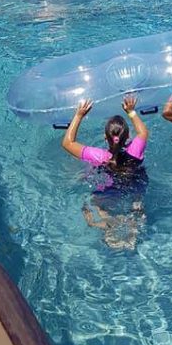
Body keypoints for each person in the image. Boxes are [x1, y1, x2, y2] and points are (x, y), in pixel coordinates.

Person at [61, 96, 149, 250]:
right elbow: (143, 132)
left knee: (96, 205)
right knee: (137, 202)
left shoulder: (99, 156)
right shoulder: (135, 151)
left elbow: (67, 143)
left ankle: (106, 223)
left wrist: (79, 115)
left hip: (109, 190)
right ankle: (136, 220)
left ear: (105, 137)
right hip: (135, 185)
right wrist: (131, 111)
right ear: (128, 136)